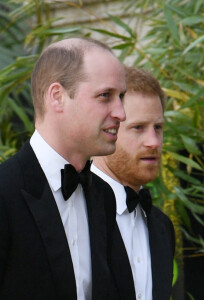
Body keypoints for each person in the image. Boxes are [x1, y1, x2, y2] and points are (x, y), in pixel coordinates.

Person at [0, 37, 126, 300]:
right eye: (105, 96)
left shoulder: (104, 196)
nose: (121, 113)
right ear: (57, 97)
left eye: (121, 97)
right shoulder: (5, 191)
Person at [92, 66, 175, 300]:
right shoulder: (69, 210)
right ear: (106, 128)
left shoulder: (162, 227)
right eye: (138, 128)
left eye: (157, 128)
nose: (153, 142)